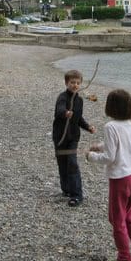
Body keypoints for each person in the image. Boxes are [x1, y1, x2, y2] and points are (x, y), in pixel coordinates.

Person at [86, 89, 131, 261]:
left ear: (110, 107)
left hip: (120, 178)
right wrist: (100, 146)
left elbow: (110, 157)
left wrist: (91, 156)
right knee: (130, 214)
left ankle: (124, 258)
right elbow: (121, 144)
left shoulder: (110, 126)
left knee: (117, 218)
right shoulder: (129, 125)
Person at [52, 69, 95, 207]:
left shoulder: (80, 100)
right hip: (60, 137)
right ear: (66, 83)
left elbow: (78, 118)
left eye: (77, 83)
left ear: (81, 83)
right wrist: (65, 113)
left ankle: (77, 195)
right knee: (62, 164)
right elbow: (59, 110)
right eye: (72, 82)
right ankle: (66, 190)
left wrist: (88, 127)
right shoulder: (62, 97)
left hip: (73, 138)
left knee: (72, 163)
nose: (75, 85)